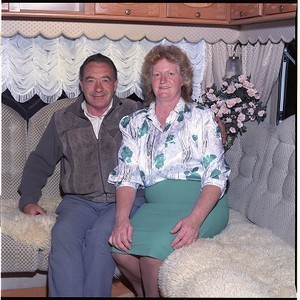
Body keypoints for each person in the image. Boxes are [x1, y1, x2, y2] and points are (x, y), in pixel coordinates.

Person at [18, 53, 146, 297]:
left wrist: (211, 119)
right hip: (79, 202)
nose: (98, 88)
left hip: (124, 200)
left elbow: (171, 119)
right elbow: (40, 161)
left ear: (116, 85)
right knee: (63, 234)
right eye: (90, 80)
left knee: (101, 238)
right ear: (81, 84)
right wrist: (29, 200)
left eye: (105, 80)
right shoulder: (63, 119)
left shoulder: (134, 113)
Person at [108, 45, 231, 297]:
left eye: (170, 74)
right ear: (149, 81)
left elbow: (215, 176)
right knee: (119, 251)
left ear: (183, 79)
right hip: (156, 206)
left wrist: (195, 220)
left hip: (201, 201)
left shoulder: (202, 118)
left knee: (152, 255)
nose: (163, 80)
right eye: (156, 74)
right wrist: (122, 219)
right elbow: (127, 175)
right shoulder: (135, 123)